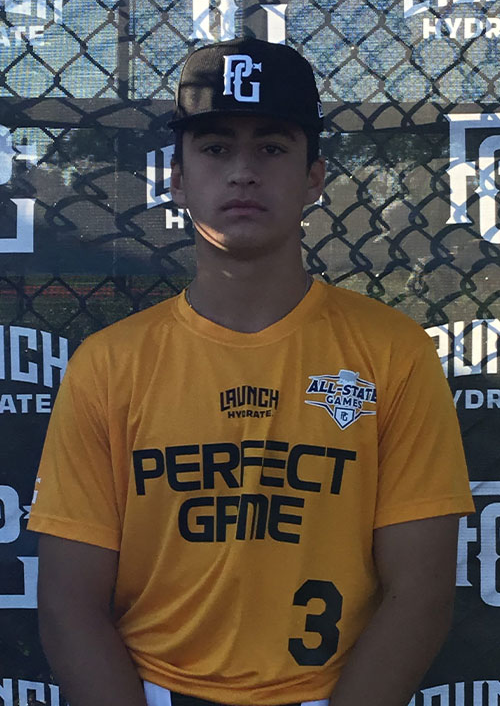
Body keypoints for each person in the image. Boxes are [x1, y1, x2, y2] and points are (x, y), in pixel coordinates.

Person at [28, 37, 474, 706]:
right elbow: (69, 603)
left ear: (314, 177)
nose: (242, 172)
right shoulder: (109, 365)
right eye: (215, 149)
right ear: (178, 180)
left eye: (271, 147)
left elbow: (421, 592)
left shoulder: (393, 353)